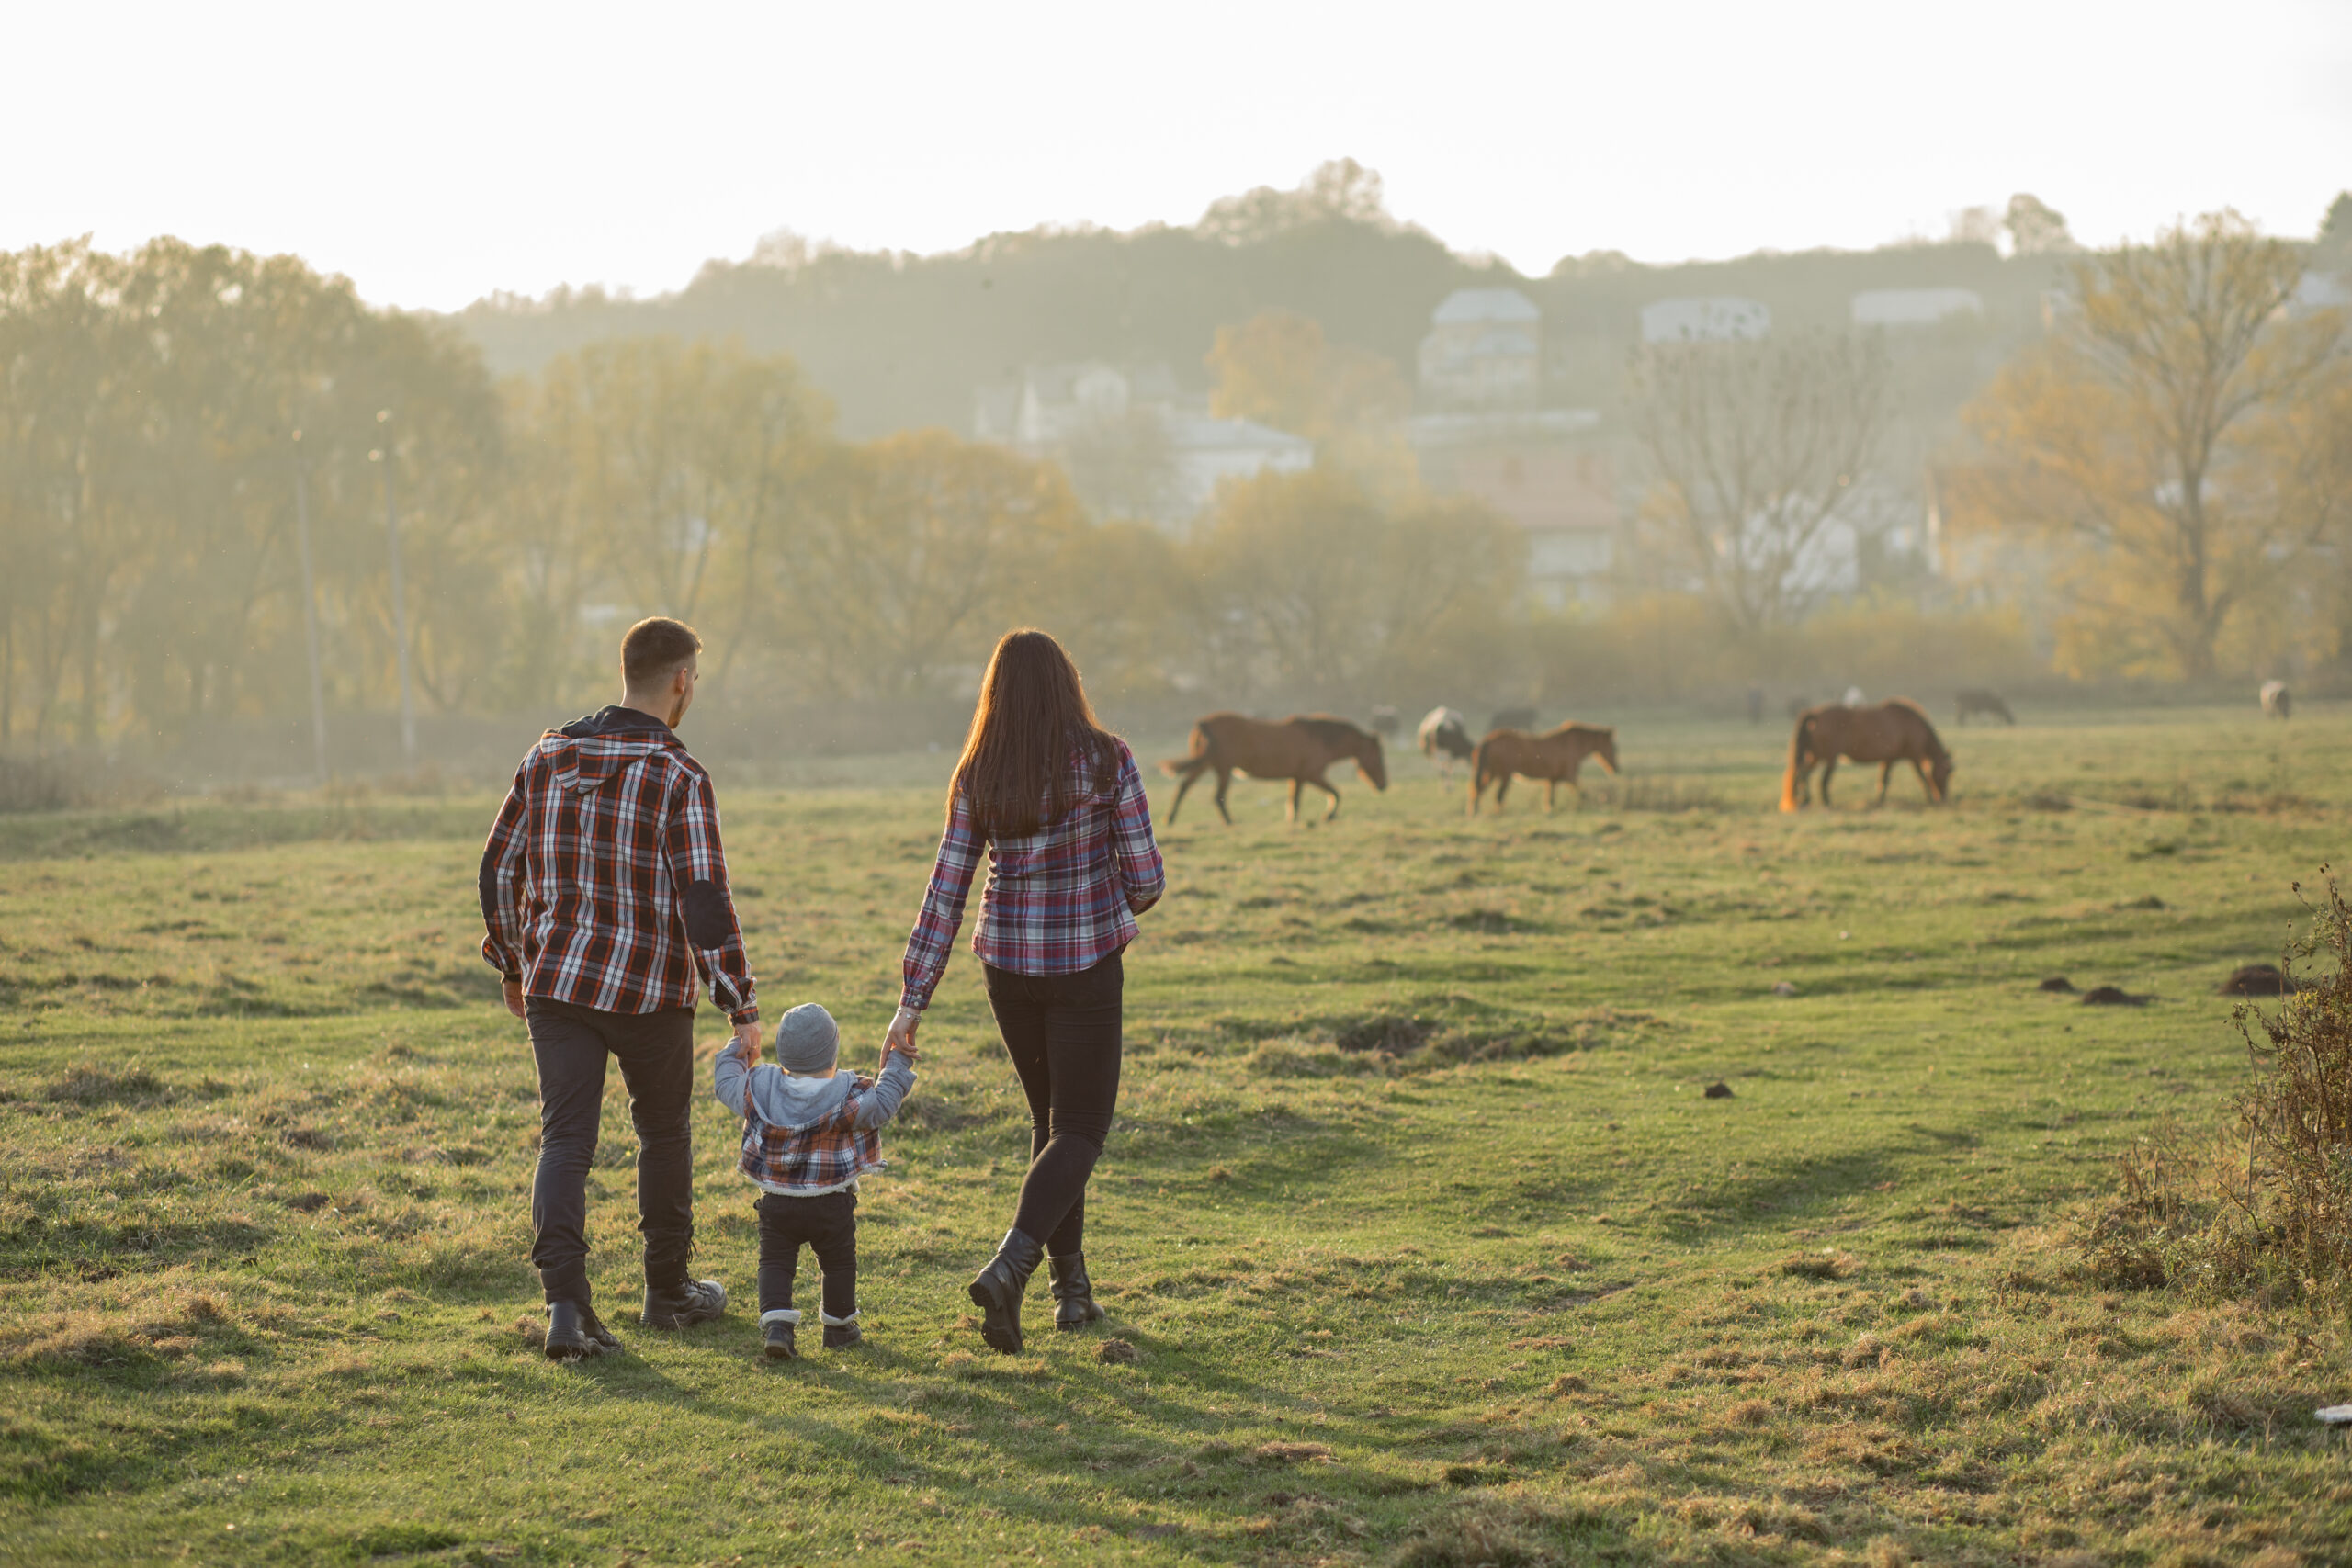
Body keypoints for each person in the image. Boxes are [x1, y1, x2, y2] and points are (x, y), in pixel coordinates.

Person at [480, 616, 760, 1361]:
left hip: (559, 983)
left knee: (564, 1138)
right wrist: (740, 1002)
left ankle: (566, 1310)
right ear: (679, 680)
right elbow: (703, 896)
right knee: (662, 1133)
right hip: (649, 990)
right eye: (694, 678)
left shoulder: (547, 756)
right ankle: (666, 1293)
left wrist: (514, 961)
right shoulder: (678, 775)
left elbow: (497, 868)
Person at [887, 628, 1165, 1355]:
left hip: (1007, 968)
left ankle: (1071, 1291)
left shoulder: (980, 769)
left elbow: (946, 892)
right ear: (1067, 683)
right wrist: (1102, 886)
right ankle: (1012, 1268)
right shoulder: (1109, 760)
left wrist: (910, 1000)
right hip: (1085, 966)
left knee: (1051, 1123)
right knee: (1081, 1129)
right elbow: (1148, 880)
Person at [714, 1002, 919, 1360]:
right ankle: (839, 1327)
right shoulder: (848, 1092)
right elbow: (885, 1102)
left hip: (777, 1203)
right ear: (833, 1051)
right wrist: (898, 1060)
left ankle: (778, 1326)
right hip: (831, 1203)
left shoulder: (760, 1086)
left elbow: (726, 1083)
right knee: (838, 1263)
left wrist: (737, 1048)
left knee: (775, 1262)